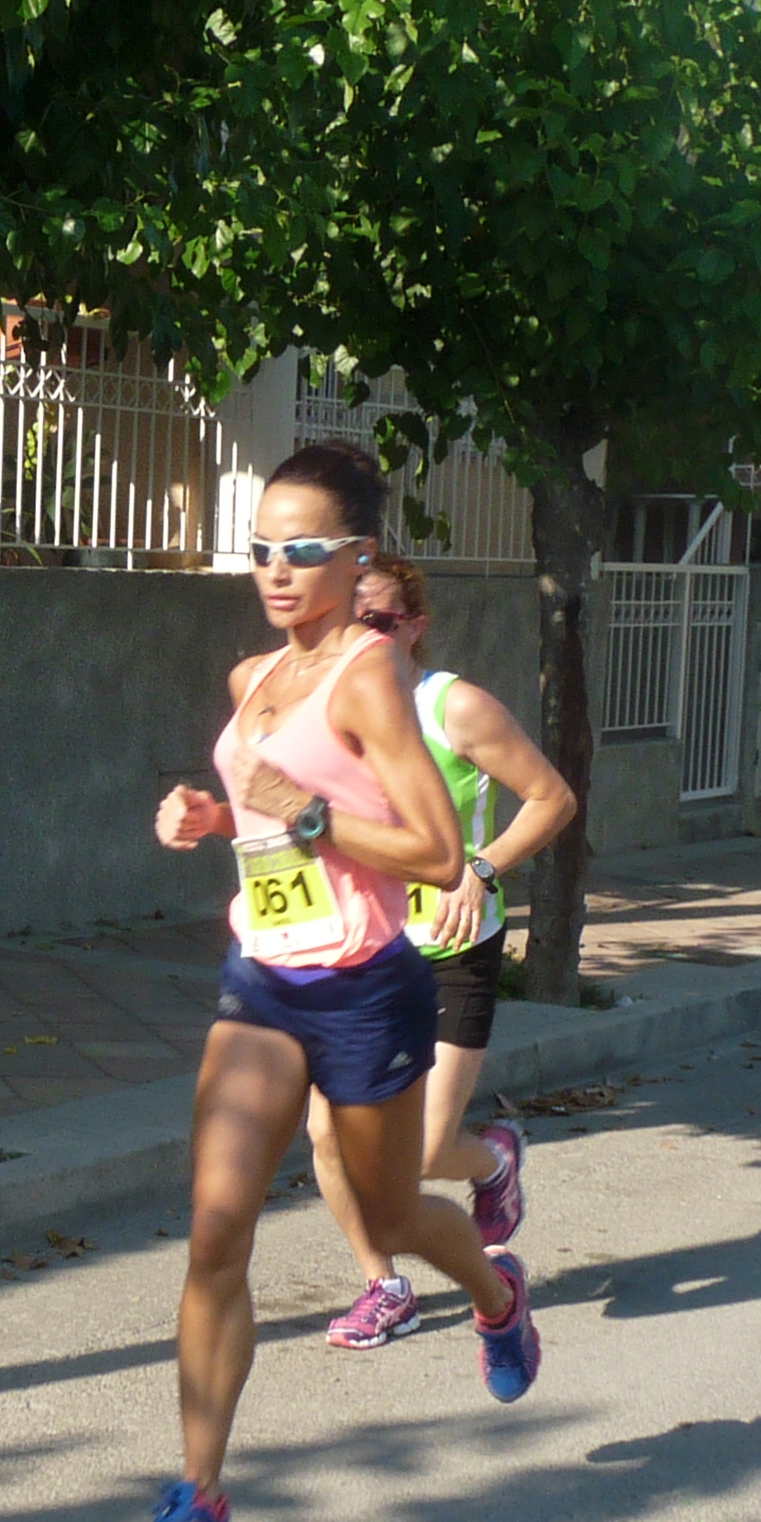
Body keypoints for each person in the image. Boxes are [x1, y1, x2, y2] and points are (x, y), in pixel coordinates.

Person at [124, 445, 540, 1522]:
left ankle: (496, 1293)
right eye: (261, 547)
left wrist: (303, 814)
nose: (277, 568)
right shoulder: (252, 677)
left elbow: (437, 851)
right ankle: (200, 1503)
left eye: (304, 549)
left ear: (359, 556)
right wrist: (215, 819)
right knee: (217, 1231)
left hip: (367, 987)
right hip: (265, 981)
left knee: (391, 1217)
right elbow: (267, 817)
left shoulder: (370, 675)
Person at [302, 552, 578, 1347]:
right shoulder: (324, 710)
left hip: (451, 948)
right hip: (359, 952)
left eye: (378, 621)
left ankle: (490, 1162)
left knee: (420, 1150)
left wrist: (481, 869)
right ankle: (384, 1285)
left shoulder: (453, 706)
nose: (360, 636)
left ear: (414, 627)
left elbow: (551, 797)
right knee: (328, 1135)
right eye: (346, 620)